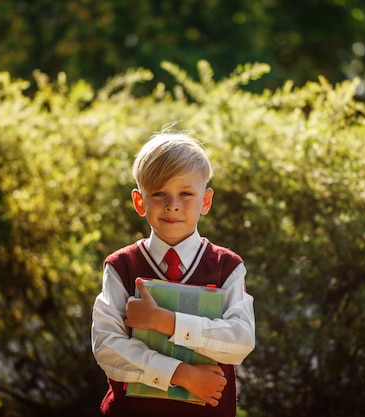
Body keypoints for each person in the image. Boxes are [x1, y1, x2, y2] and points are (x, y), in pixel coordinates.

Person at [91, 131, 256, 417]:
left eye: (185, 194)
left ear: (205, 201)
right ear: (140, 201)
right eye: (159, 194)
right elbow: (107, 347)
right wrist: (180, 374)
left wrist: (166, 322)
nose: (172, 204)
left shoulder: (227, 267)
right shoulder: (121, 266)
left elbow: (240, 341)